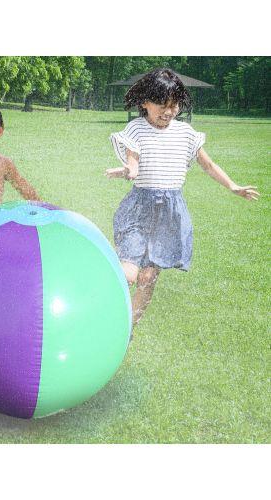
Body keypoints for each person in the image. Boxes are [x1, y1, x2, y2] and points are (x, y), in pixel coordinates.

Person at [106, 68, 259, 330]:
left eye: (174, 105)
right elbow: (134, 163)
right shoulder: (136, 129)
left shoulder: (186, 133)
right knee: (129, 273)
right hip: (140, 209)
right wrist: (128, 171)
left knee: (149, 277)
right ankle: (99, 307)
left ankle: (127, 329)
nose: (169, 111)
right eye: (162, 105)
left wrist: (233, 186)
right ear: (145, 102)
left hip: (170, 215)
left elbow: (208, 165)